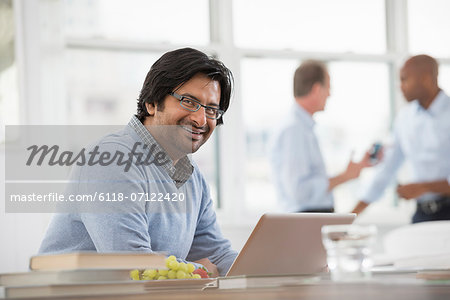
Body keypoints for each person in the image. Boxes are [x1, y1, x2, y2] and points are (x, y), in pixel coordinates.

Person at [39, 48, 237, 276]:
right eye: (188, 102)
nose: (201, 119)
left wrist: (265, 268)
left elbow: (217, 255)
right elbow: (132, 264)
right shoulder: (111, 160)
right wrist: (204, 269)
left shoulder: (192, 177)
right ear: (152, 102)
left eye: (211, 109)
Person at [352, 55, 450, 223]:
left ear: (426, 79)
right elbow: (387, 169)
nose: (400, 87)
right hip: (422, 214)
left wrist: (424, 187)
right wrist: (351, 215)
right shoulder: (404, 118)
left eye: (404, 80)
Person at [269, 60, 375, 213]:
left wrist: (350, 173)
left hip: (309, 219)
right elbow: (300, 191)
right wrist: (344, 176)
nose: (330, 94)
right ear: (317, 89)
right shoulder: (294, 130)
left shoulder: (303, 128)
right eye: (328, 88)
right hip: (305, 220)